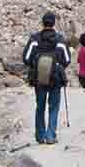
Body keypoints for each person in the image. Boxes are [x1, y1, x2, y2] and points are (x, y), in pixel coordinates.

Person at [19, 12, 70, 145]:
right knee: (53, 107)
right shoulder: (60, 39)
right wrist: (58, 67)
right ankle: (51, 135)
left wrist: (35, 66)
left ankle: (40, 136)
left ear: (42, 23)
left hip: (39, 79)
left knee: (40, 106)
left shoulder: (35, 39)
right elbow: (67, 59)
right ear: (54, 24)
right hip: (56, 79)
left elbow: (26, 58)